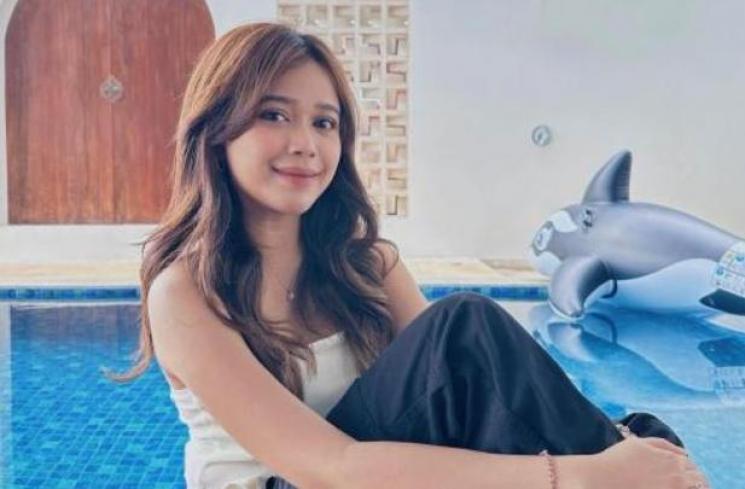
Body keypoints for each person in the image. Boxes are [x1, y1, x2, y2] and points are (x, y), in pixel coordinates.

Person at [118, 22, 710, 489]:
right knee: (468, 327)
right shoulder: (187, 293)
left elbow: (475, 390)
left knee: (636, 442)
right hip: (306, 480)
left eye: (324, 123)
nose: (306, 143)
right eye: (274, 115)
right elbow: (331, 468)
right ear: (217, 129)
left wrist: (615, 456)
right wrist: (583, 476)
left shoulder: (367, 267)